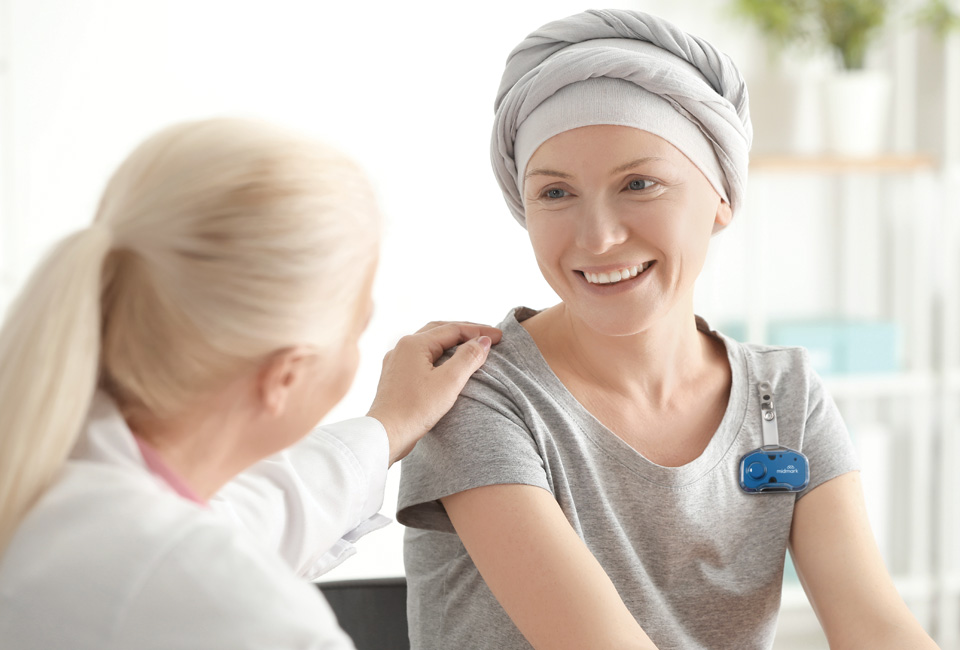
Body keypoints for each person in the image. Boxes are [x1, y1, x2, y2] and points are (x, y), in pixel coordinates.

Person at [397, 9, 939, 650]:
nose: (598, 237)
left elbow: (875, 627)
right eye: (555, 193)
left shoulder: (782, 397)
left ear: (722, 199)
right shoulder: (478, 398)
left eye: (640, 183)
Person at [0, 117, 501, 649]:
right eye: (358, 326)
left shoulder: (54, 470)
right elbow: (197, 568)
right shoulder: (227, 606)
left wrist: (390, 426)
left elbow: (244, 516)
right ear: (285, 374)